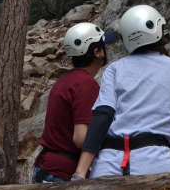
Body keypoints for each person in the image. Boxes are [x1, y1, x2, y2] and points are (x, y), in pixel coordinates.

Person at [71, 5, 170, 180]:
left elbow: (102, 117)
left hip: (108, 169)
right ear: (158, 31)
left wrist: (80, 172)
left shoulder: (114, 69)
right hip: (158, 169)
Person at [32, 22, 116, 183]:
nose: (107, 50)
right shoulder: (85, 84)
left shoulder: (66, 79)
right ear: (97, 52)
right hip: (60, 174)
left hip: (48, 167)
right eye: (104, 46)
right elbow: (81, 139)